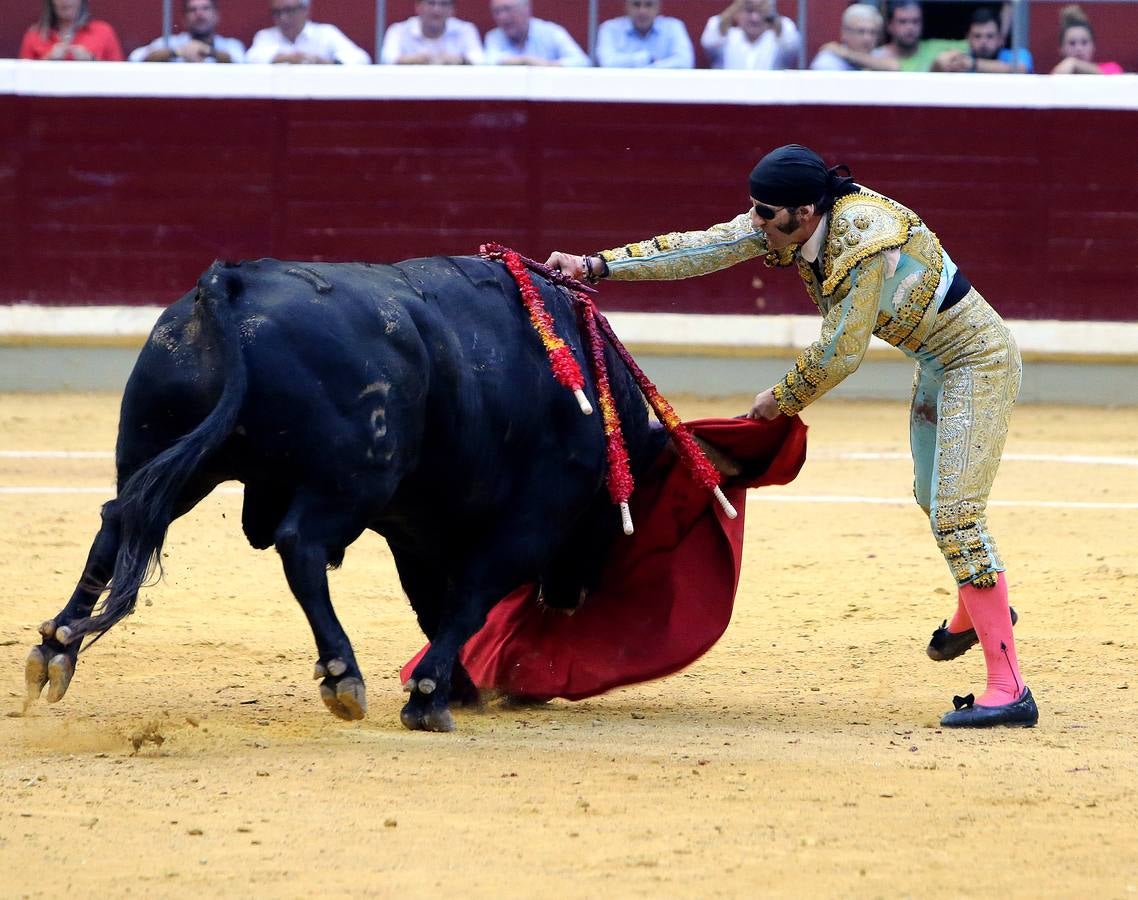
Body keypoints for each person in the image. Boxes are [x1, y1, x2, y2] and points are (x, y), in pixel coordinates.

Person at [546, 144, 1038, 729]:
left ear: (803, 212)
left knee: (957, 518)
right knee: (936, 503)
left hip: (976, 362)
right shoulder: (793, 220)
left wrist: (780, 400)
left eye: (763, 214)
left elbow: (841, 352)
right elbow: (705, 246)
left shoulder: (863, 242)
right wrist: (595, 266)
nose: (754, 223)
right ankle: (977, 612)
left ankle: (1009, 690)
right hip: (937, 363)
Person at [246, 0, 370, 65]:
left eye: (289, 10)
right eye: (277, 12)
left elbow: (361, 58)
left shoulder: (326, 33)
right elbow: (250, 59)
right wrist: (285, 59)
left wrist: (328, 63)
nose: (283, 18)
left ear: (305, 10)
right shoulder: (265, 36)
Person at [129, 0, 245, 64]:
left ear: (216, 16)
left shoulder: (230, 45)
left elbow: (240, 61)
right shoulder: (171, 43)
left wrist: (208, 51)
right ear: (184, 19)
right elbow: (136, 58)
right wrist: (177, 52)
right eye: (192, 10)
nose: (199, 14)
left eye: (205, 8)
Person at [868, 0, 967, 72]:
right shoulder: (875, 57)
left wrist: (969, 63)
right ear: (889, 25)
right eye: (903, 21)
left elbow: (977, 47)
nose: (910, 27)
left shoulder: (936, 48)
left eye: (915, 21)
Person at [700, 0, 801, 70]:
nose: (755, 18)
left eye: (761, 11)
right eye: (749, 11)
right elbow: (708, 41)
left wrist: (770, 11)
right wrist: (737, 6)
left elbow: (792, 43)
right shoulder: (728, 37)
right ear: (737, 13)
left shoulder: (777, 40)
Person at [483, 0, 589, 67]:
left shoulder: (551, 32)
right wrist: (524, 61)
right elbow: (489, 61)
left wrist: (549, 65)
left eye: (508, 9)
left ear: (526, 9)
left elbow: (581, 62)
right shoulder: (494, 37)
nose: (502, 17)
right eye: (496, 11)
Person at [595, 0, 694, 69]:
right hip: (621, 91)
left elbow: (685, 62)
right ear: (626, 6)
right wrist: (647, 59)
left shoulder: (674, 27)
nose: (642, 11)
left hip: (664, 91)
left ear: (658, 7)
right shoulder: (610, 29)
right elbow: (607, 63)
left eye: (649, 4)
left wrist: (651, 68)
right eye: (636, 4)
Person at [380, 0, 483, 65]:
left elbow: (480, 60)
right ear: (418, 7)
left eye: (444, 4)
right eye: (431, 3)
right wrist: (414, 60)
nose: (436, 10)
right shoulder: (399, 31)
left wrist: (459, 60)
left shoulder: (465, 30)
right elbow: (387, 59)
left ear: (452, 10)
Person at [931, 8, 1033, 73]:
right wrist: (941, 64)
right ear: (968, 38)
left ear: (1000, 39)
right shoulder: (961, 61)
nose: (983, 42)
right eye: (977, 36)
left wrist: (973, 64)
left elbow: (1021, 69)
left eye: (990, 36)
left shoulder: (1019, 55)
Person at [19, 0, 123, 61]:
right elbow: (22, 81)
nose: (65, 1)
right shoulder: (34, 35)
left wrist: (92, 61)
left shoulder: (103, 32)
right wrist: (47, 61)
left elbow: (120, 77)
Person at [1051, 5, 1124, 74]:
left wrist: (1074, 63)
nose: (1078, 48)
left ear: (1093, 47)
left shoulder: (1112, 68)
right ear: (1061, 49)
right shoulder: (1054, 74)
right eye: (1072, 43)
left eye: (1084, 42)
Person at [809, 3, 883, 71]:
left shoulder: (879, 57)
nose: (867, 38)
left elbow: (894, 67)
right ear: (844, 33)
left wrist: (849, 55)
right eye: (860, 31)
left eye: (873, 32)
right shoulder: (827, 63)